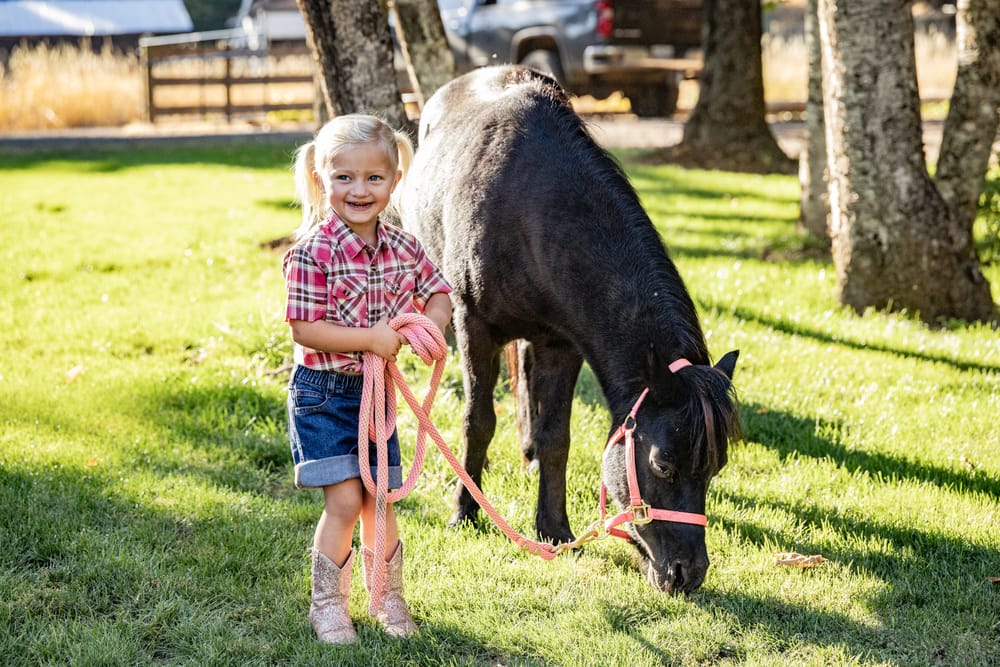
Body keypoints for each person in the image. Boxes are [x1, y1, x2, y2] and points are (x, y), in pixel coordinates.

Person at [282, 114, 452, 644]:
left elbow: (440, 290)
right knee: (346, 502)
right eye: (344, 177)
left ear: (395, 180)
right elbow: (306, 329)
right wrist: (371, 340)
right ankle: (328, 605)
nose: (360, 190)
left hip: (374, 398)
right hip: (325, 396)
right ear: (320, 178)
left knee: (382, 498)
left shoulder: (405, 247)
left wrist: (431, 325)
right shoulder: (312, 253)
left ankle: (388, 597)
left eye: (374, 178)